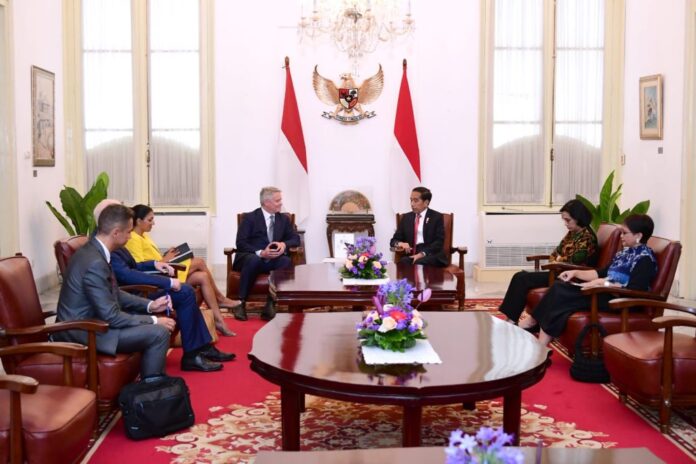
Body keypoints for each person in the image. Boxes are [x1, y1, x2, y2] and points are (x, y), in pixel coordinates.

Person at [54, 204, 225, 377]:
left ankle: (157, 383)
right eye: (128, 232)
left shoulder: (96, 252)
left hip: (95, 321)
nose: (130, 237)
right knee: (158, 332)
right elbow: (111, 315)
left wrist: (151, 305)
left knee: (172, 309)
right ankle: (152, 388)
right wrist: (153, 320)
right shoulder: (95, 262)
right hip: (85, 331)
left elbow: (115, 293)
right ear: (115, 233)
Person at [520, 214, 658, 346]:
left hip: (620, 302)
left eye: (624, 233)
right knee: (560, 288)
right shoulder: (625, 253)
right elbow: (602, 272)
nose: (621, 236)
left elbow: (635, 290)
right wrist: (575, 272)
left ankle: (535, 327)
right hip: (604, 293)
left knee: (561, 293)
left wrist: (603, 283)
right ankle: (541, 340)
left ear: (638, 235)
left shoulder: (645, 259)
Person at [126, 204, 237, 337]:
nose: (153, 223)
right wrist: (166, 260)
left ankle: (219, 320)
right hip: (157, 278)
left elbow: (153, 259)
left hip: (163, 269)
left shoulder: (144, 236)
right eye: (150, 220)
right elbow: (140, 266)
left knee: (202, 277)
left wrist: (167, 256)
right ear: (138, 221)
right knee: (200, 262)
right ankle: (220, 299)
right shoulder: (133, 238)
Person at [111, 246, 238, 359]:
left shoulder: (118, 247)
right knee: (185, 291)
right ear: (117, 231)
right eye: (127, 231)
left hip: (140, 289)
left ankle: (201, 348)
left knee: (186, 291)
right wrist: (167, 282)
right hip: (137, 293)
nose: (129, 236)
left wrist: (155, 264)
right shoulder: (108, 252)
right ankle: (195, 353)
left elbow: (135, 267)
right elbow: (127, 275)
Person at [499, 199, 598, 323]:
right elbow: (556, 252)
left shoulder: (587, 237)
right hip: (558, 270)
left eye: (568, 220)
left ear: (578, 218)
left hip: (568, 276)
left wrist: (557, 261)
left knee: (522, 278)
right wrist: (556, 260)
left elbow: (573, 261)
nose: (565, 224)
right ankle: (510, 318)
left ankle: (511, 320)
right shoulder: (573, 233)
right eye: (564, 220)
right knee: (520, 275)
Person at [231, 186, 300, 321]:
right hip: (251, 258)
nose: (281, 203)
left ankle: (271, 303)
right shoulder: (250, 218)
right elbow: (241, 243)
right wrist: (261, 253)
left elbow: (295, 238)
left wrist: (283, 244)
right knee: (254, 260)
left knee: (286, 261)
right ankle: (241, 303)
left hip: (272, 260)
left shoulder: (283, 220)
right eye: (277, 200)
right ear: (266, 202)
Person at [389, 187, 448, 267]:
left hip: (431, 254)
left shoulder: (436, 217)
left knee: (419, 263)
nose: (412, 204)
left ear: (426, 202)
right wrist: (400, 243)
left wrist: (421, 254)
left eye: (416, 200)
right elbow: (393, 241)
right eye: (411, 200)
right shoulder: (406, 218)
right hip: (412, 253)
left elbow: (438, 242)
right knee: (403, 262)